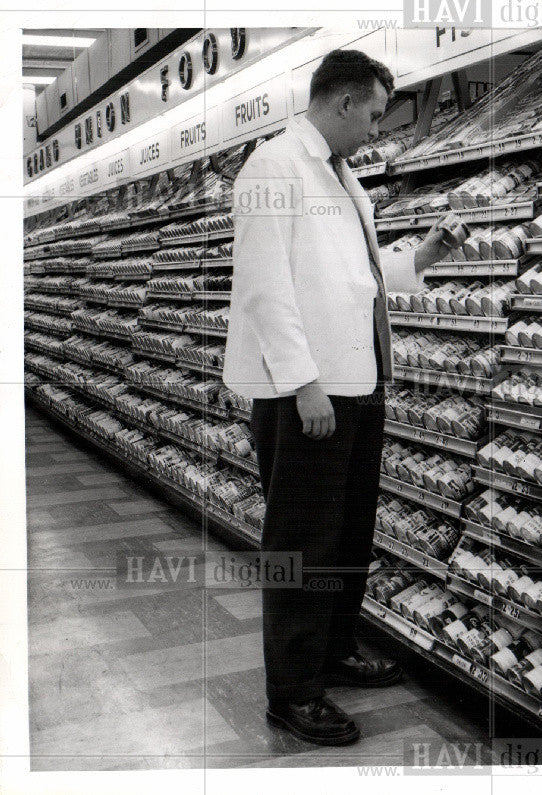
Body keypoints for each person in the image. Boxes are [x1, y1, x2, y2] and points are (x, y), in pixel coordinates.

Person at [222, 49, 452, 746]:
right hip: (309, 392)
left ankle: (334, 648)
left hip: (357, 384)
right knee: (302, 540)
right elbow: (265, 286)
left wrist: (425, 257)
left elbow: (355, 277)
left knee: (348, 533)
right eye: (377, 114)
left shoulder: (343, 177)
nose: (379, 129)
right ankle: (293, 689)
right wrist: (303, 382)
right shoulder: (274, 168)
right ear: (344, 102)